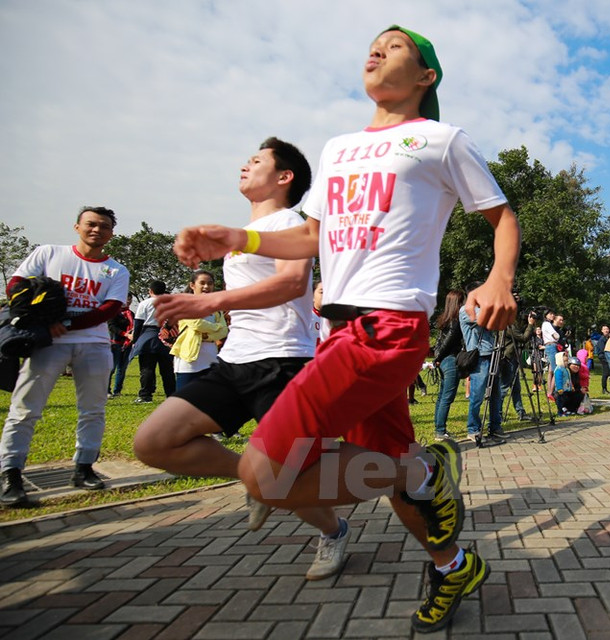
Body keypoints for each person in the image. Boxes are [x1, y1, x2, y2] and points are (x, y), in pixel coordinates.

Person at [163, 26, 520, 634]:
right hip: (338, 330)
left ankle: (427, 472)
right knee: (387, 462)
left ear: (426, 76)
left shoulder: (441, 140)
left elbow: (502, 216)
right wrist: (238, 237)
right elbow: (312, 237)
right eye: (373, 44)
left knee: (262, 474)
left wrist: (498, 279)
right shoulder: (338, 148)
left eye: (395, 46)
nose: (376, 50)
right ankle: (452, 563)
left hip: (387, 327)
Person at [134, 137, 346, 581]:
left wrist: (209, 302)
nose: (244, 166)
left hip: (283, 362)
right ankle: (253, 478)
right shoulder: (240, 236)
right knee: (154, 442)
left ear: (284, 176)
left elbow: (292, 284)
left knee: (292, 478)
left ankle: (333, 531)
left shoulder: (291, 224)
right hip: (233, 361)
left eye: (256, 160)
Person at [0, 207, 130, 507]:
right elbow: (16, 283)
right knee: (25, 408)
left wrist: (68, 323)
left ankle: (84, 467)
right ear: (77, 227)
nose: (97, 230)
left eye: (104, 226)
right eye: (91, 224)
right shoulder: (49, 254)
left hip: (94, 343)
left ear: (111, 233)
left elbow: (110, 308)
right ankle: (11, 473)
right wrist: (37, 316)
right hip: (47, 343)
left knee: (93, 410)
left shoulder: (116, 270)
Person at [461, 282, 509, 443]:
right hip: (479, 357)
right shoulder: (465, 310)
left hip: (492, 354)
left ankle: (495, 427)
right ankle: (473, 429)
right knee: (477, 395)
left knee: (496, 394)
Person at [171, 270, 228, 390]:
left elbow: (224, 331)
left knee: (208, 397)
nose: (206, 287)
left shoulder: (216, 308)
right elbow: (196, 324)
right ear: (192, 285)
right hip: (189, 360)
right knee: (184, 397)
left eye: (210, 283)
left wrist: (207, 336)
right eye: (202, 283)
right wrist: (216, 327)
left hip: (210, 359)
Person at [131, 280, 176, 403]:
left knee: (147, 368)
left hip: (148, 335)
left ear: (150, 291)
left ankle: (145, 395)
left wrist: (135, 340)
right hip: (165, 336)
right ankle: (171, 394)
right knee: (167, 369)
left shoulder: (144, 303)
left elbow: (138, 323)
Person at [432, 290, 465, 440]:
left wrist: (437, 357)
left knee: (442, 396)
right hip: (450, 360)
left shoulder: (445, 319)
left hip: (443, 360)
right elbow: (448, 341)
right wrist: (438, 357)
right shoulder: (455, 321)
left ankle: (439, 427)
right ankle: (440, 431)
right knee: (447, 397)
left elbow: (439, 341)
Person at [498, 309, 537, 421]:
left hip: (513, 358)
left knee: (516, 388)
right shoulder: (508, 325)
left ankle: (520, 412)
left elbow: (521, 334)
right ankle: (497, 414)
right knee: (504, 387)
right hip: (508, 358)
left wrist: (528, 325)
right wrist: (530, 325)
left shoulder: (511, 324)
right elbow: (523, 338)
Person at [107, 294, 134, 398]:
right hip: (115, 343)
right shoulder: (113, 312)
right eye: (126, 299)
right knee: (111, 368)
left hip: (127, 344)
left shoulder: (131, 314)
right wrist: (125, 334)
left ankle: (117, 390)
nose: (128, 301)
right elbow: (112, 327)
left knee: (122, 369)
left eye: (130, 299)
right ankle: (107, 390)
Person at [540, 310, 560, 400]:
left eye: (553, 313)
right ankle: (551, 392)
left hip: (549, 346)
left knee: (551, 370)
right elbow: (555, 335)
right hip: (551, 345)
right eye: (551, 314)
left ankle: (550, 391)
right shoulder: (547, 324)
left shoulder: (546, 324)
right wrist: (558, 336)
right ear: (546, 315)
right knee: (556, 370)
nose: (553, 315)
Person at [595, 325, 610, 394]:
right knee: (606, 373)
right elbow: (602, 350)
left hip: (608, 357)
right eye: (604, 329)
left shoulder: (608, 338)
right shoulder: (602, 339)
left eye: (607, 329)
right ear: (602, 331)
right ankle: (604, 389)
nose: (606, 330)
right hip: (604, 357)